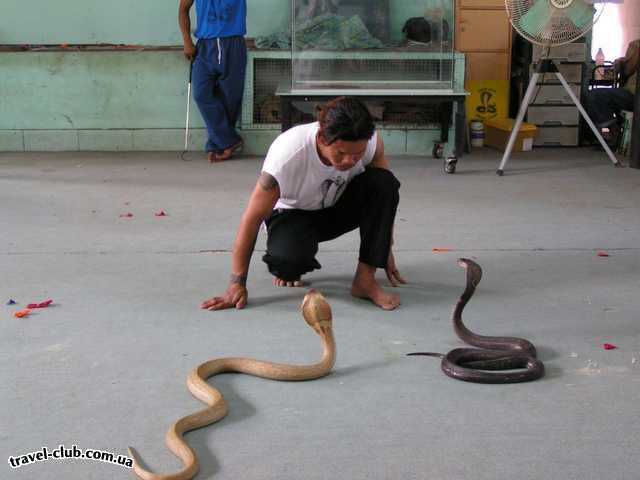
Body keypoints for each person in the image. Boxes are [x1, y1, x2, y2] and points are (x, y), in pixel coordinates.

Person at [201, 97, 406, 311]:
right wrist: (237, 284)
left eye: (357, 155)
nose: (348, 162)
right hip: (292, 214)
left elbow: (384, 200)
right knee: (288, 263)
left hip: (335, 208)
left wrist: (383, 247)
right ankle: (290, 262)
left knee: (384, 182)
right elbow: (251, 219)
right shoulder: (288, 154)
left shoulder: (371, 142)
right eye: (341, 153)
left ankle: (365, 281)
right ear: (321, 137)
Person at [179, 0, 247, 162]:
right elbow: (183, 10)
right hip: (205, 46)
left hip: (233, 43)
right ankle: (229, 141)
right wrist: (187, 41)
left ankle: (219, 145)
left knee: (231, 98)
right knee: (201, 93)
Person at [586, 39, 639, 146]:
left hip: (634, 96)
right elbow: (627, 67)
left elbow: (628, 68)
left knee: (596, 95)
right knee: (595, 95)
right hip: (630, 93)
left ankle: (612, 130)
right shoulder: (636, 45)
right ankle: (609, 129)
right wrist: (620, 61)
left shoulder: (637, 46)